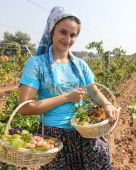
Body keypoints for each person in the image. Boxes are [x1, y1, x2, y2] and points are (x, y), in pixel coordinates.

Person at [19, 6, 118, 170]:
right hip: (54, 137)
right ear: (52, 31)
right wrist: (66, 97)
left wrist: (107, 104)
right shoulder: (36, 64)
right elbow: (25, 108)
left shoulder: (80, 65)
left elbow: (93, 91)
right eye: (63, 32)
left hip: (85, 132)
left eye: (73, 35)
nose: (68, 39)